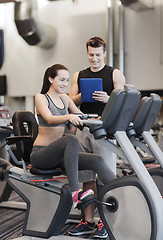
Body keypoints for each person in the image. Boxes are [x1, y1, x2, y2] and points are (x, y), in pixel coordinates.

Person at [30, 63, 116, 212]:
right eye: (62, 80)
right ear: (51, 79)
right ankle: (75, 193)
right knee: (71, 139)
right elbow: (49, 118)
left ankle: (121, 192)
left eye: (67, 80)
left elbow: (82, 117)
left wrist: (104, 119)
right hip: (41, 154)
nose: (65, 84)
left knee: (97, 160)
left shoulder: (65, 99)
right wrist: (68, 116)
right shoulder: (41, 98)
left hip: (61, 156)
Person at [69, 37, 126, 238]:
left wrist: (108, 98)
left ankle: (106, 222)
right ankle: (88, 220)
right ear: (87, 53)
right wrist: (83, 96)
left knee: (105, 176)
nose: (94, 59)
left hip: (104, 129)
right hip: (84, 128)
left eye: (98, 55)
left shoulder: (115, 73)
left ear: (104, 53)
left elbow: (123, 100)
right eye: (91, 55)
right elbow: (70, 99)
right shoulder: (79, 74)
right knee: (86, 177)